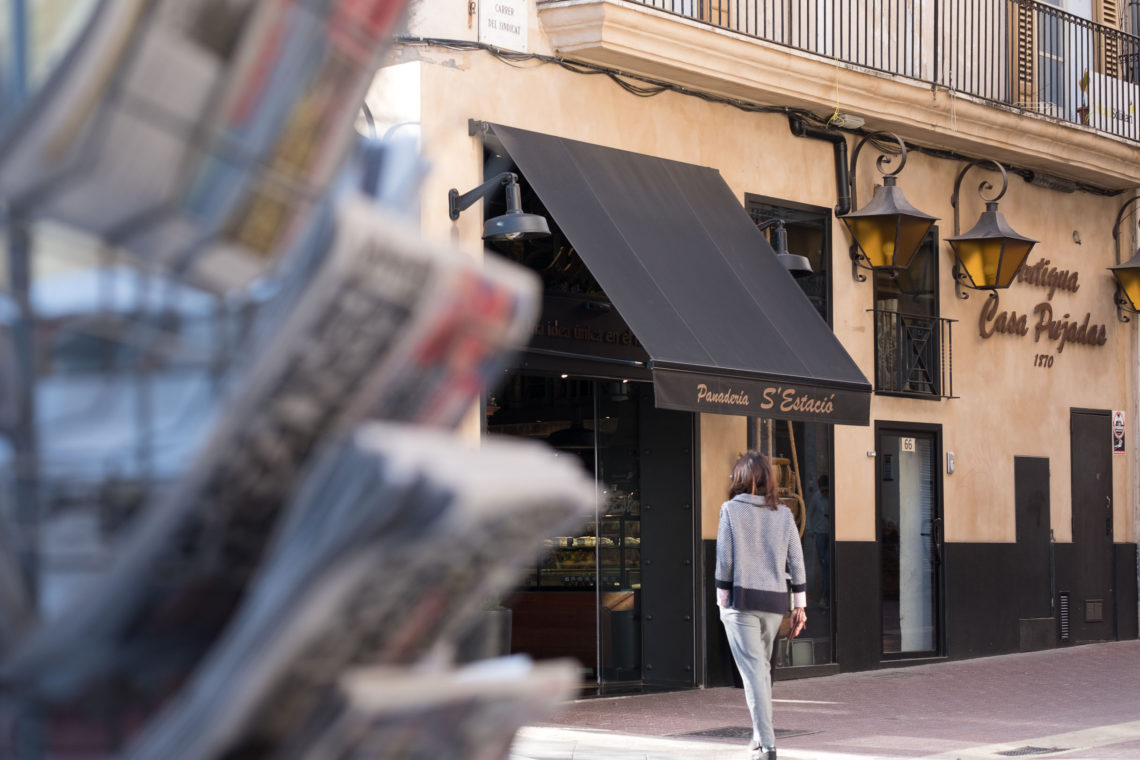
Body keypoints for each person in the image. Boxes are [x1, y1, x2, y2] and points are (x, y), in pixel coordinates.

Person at [716, 451, 807, 760]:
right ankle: (758, 738)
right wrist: (800, 605)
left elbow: (725, 560)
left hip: (741, 602)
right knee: (762, 670)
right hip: (774, 602)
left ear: (739, 479)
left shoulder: (730, 510)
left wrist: (721, 601)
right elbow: (797, 560)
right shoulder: (783, 513)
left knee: (754, 672)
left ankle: (767, 745)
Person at [805, 474, 831, 606]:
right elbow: (809, 513)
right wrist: (809, 529)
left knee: (827, 563)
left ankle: (824, 596)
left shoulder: (833, 496)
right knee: (824, 565)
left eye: (827, 490)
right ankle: (824, 594)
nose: (825, 493)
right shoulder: (816, 497)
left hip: (831, 534)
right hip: (820, 533)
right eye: (823, 491)